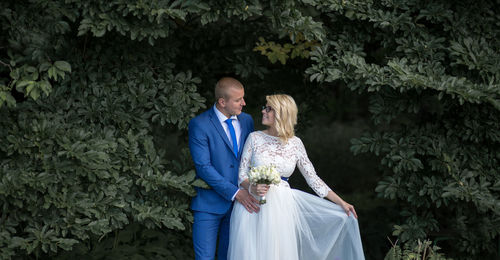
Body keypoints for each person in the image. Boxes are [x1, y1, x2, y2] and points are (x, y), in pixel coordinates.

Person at [227, 94, 365, 260]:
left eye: (269, 108)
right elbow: (241, 174)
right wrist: (252, 187)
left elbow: (312, 178)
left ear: (282, 113)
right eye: (265, 107)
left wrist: (341, 202)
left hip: (282, 208)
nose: (263, 111)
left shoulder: (296, 143)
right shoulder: (255, 138)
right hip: (253, 205)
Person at [188, 77, 261, 260]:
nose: (244, 103)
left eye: (243, 98)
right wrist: (236, 192)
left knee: (231, 256)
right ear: (222, 102)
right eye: (238, 100)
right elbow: (204, 167)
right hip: (208, 204)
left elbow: (249, 159)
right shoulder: (200, 124)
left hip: (241, 206)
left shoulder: (247, 121)